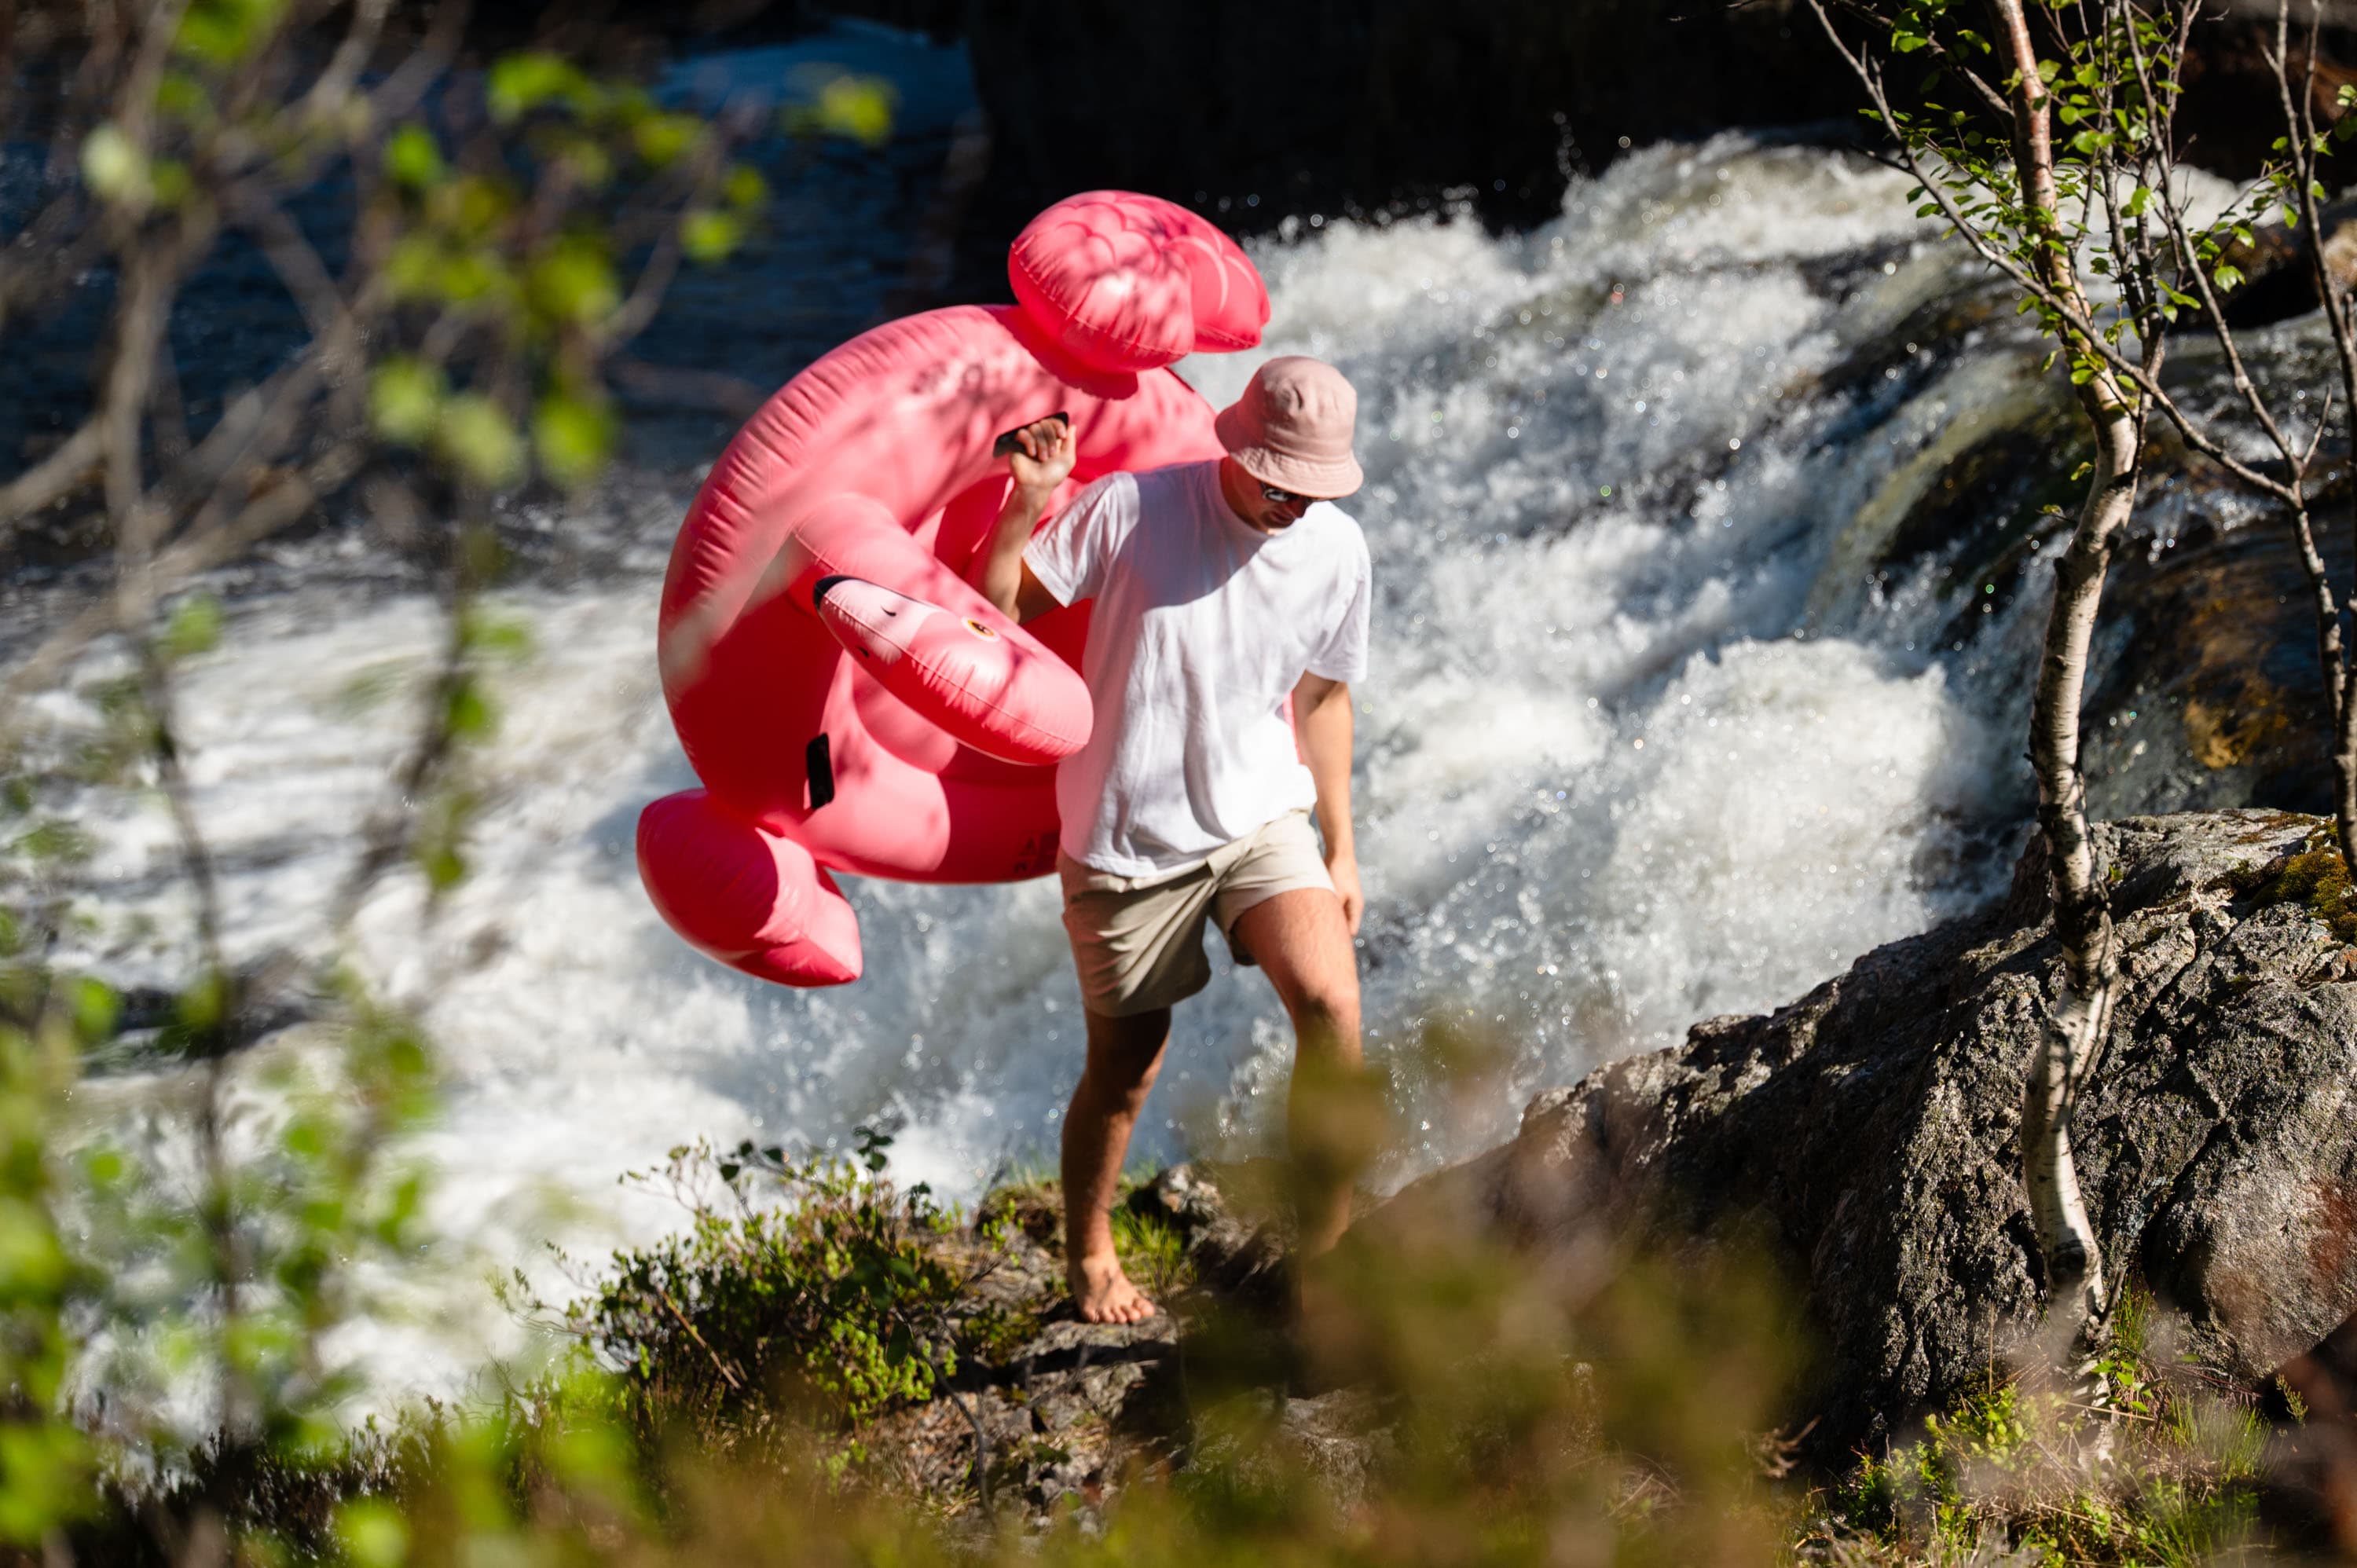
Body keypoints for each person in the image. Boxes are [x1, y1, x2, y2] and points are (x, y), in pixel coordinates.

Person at [970, 357, 1373, 1325]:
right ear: (1237, 446)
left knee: (1332, 1005)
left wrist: (1341, 844)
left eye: (1314, 488)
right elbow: (1001, 609)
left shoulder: (1337, 550)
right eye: (1281, 481)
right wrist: (1027, 501)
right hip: (1125, 840)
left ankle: (1326, 1267)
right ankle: (1090, 1247)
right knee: (1126, 1066)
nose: (1294, 504)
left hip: (1259, 816)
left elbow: (1322, 696)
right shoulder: (1136, 509)